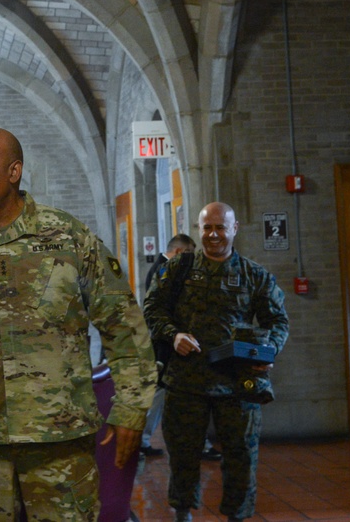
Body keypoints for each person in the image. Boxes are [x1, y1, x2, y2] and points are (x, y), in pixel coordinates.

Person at [0, 126, 156, 521]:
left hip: (60, 442)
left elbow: (122, 323)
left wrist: (131, 409)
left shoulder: (69, 239)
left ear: (14, 171)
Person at [144, 202, 289, 522]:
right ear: (199, 229)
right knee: (182, 456)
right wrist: (173, 335)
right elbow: (152, 308)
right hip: (186, 382)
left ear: (234, 229)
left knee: (241, 458)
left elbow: (278, 320)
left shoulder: (254, 275)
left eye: (220, 227)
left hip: (238, 384)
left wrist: (268, 352)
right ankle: (182, 513)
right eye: (207, 227)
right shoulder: (179, 269)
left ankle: (237, 515)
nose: (213, 234)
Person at [141, 234, 196, 457]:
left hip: (170, 340)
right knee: (158, 392)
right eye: (190, 254)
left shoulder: (163, 267)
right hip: (167, 342)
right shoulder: (164, 270)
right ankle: (142, 439)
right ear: (180, 252)